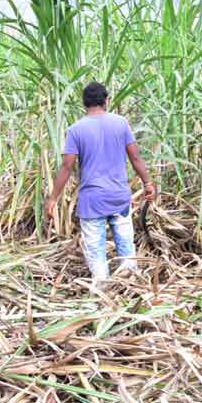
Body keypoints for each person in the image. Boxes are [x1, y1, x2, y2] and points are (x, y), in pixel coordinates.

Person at [45, 82, 157, 288]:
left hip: (92, 200)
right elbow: (135, 157)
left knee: (96, 250)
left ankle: (101, 292)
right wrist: (148, 182)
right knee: (126, 246)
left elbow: (67, 167)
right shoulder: (121, 123)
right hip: (119, 197)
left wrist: (53, 198)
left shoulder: (76, 130)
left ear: (84, 104)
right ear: (107, 101)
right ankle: (131, 287)